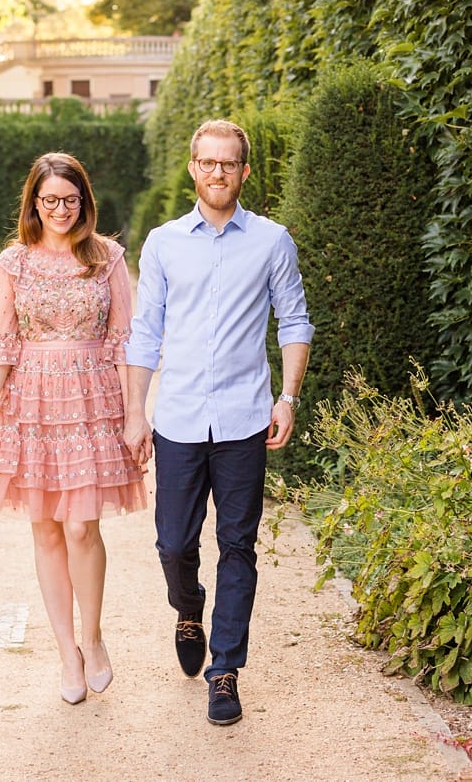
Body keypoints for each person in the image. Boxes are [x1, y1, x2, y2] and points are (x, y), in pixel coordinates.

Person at [124, 118, 313, 727]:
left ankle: (225, 670)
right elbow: (145, 334)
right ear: (192, 167)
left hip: (243, 422)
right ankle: (188, 608)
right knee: (174, 544)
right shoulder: (162, 243)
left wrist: (287, 399)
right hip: (177, 420)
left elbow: (294, 322)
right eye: (207, 162)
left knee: (238, 546)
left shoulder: (272, 241)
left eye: (228, 163)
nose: (217, 173)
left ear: (244, 172)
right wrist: (134, 414)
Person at [0, 151, 147, 706]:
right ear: (34, 204)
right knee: (46, 529)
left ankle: (93, 639)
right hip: (31, 405)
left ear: (84, 202)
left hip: (94, 403)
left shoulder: (108, 259)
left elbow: (126, 342)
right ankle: (65, 650)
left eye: (70, 200)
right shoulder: (13, 264)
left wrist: (135, 413)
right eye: (49, 201)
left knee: (80, 529)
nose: (60, 210)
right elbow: (1, 345)